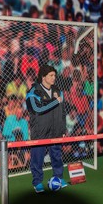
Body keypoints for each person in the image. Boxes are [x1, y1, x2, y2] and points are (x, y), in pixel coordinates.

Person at [26, 64, 67, 193]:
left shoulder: (58, 91)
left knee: (57, 156)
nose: (54, 78)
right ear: (43, 77)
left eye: (54, 75)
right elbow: (37, 110)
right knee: (37, 158)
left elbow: (63, 112)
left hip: (55, 131)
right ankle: (37, 182)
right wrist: (55, 101)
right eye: (51, 75)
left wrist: (63, 129)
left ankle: (58, 178)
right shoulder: (33, 92)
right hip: (40, 132)